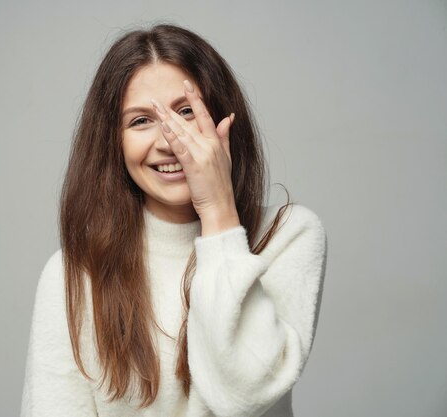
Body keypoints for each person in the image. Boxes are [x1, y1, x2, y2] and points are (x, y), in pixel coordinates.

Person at [21, 24, 327, 417]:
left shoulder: (288, 236)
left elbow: (247, 393)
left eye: (185, 112)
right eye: (140, 121)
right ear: (113, 142)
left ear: (224, 119)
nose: (168, 140)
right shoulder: (73, 273)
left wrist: (218, 211)